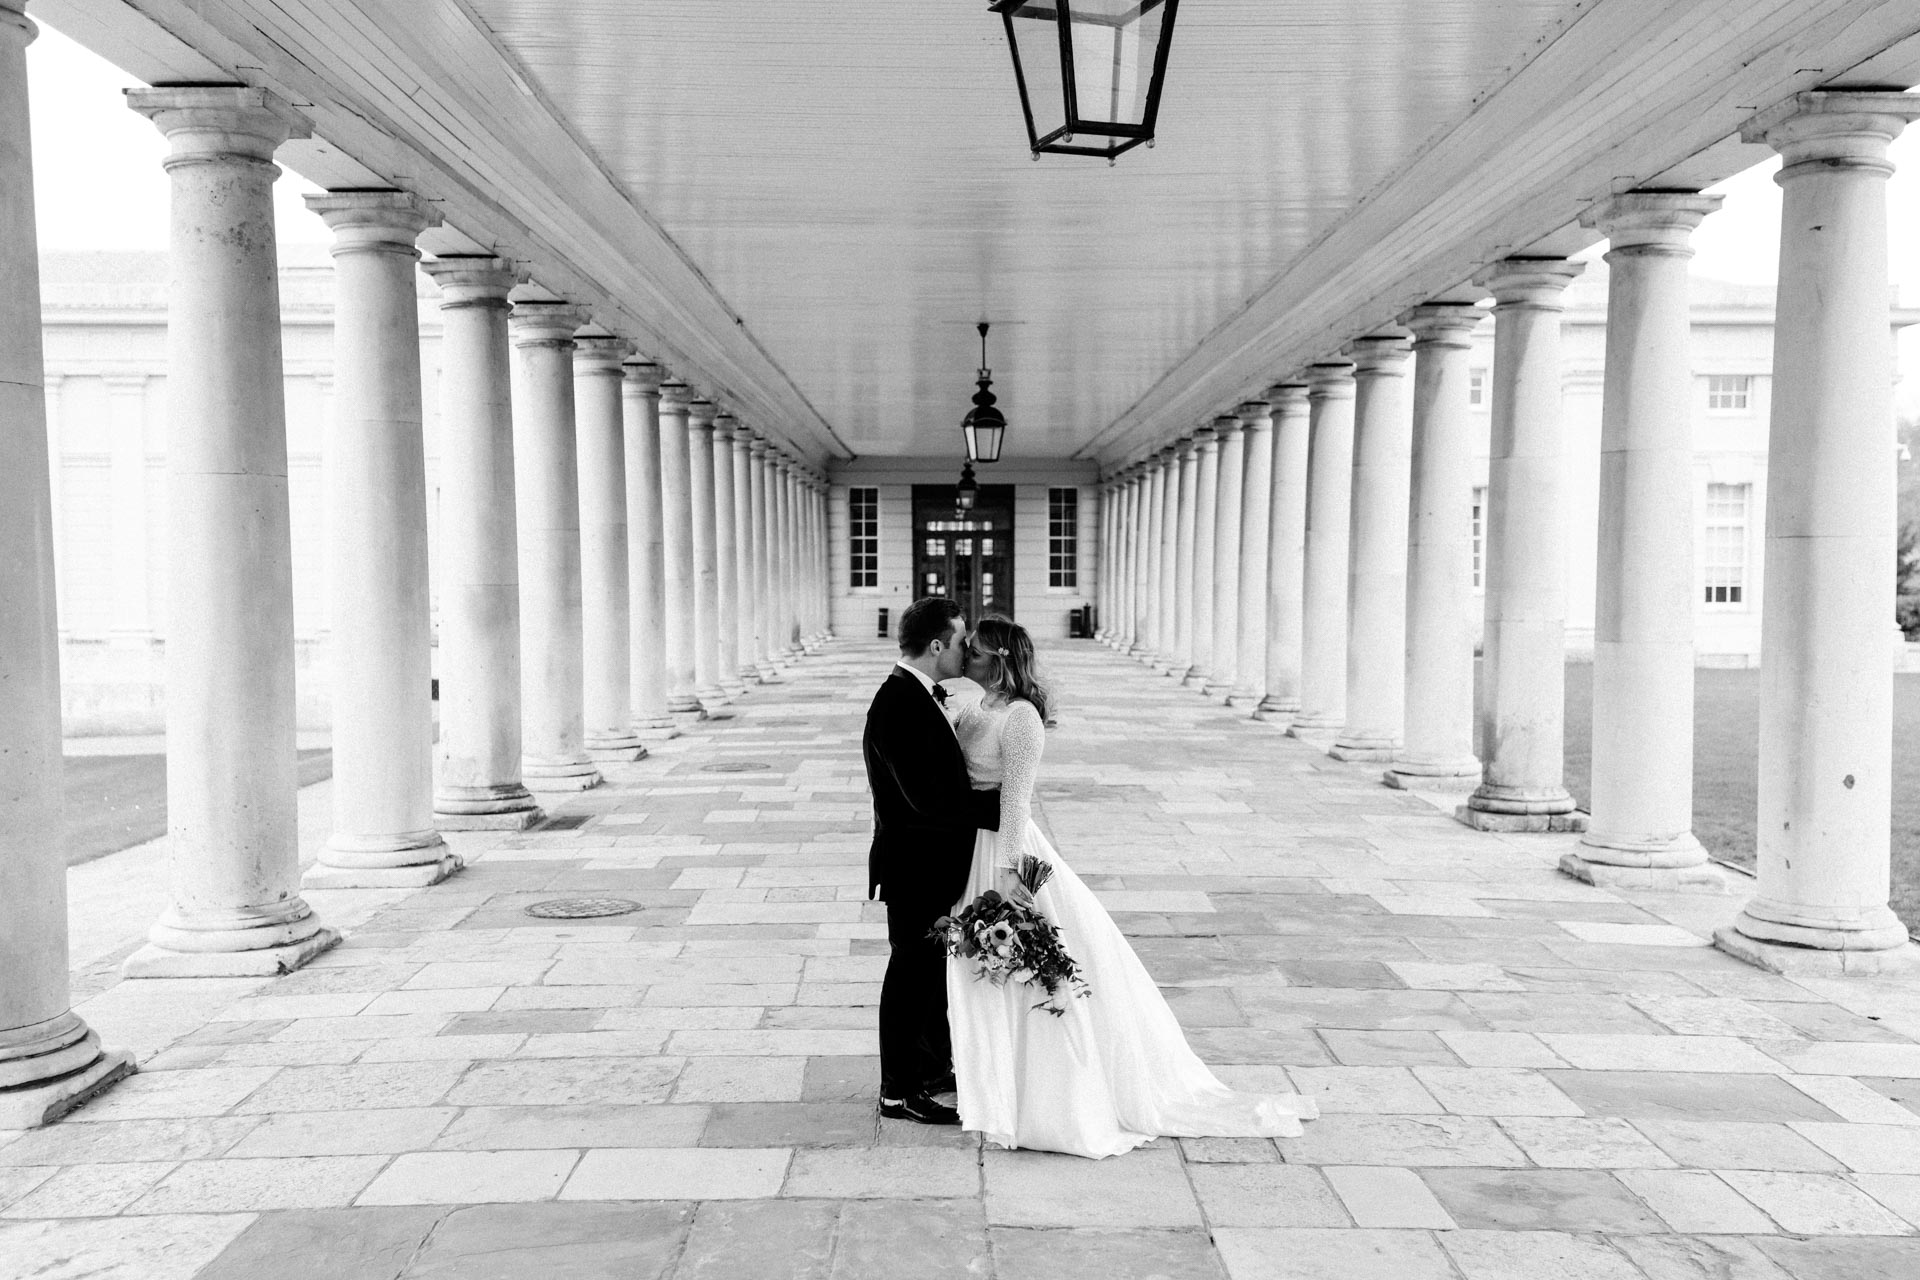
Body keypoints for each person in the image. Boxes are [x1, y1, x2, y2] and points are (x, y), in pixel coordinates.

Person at [946, 615, 1319, 1158]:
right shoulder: (976, 709)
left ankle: (1051, 1096)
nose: (967, 660)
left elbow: (1016, 801)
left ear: (999, 659)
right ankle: (996, 1084)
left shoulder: (1022, 718)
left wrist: (1009, 874)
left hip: (1005, 852)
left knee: (1030, 969)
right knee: (990, 973)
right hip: (970, 850)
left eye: (975, 652)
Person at [862, 596, 1000, 1125]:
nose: (967, 650)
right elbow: (929, 799)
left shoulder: (918, 695)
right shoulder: (897, 703)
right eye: (962, 641)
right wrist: (1004, 807)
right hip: (914, 864)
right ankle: (898, 1092)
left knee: (924, 974)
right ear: (938, 645)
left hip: (927, 862)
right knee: (909, 976)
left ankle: (926, 1067)